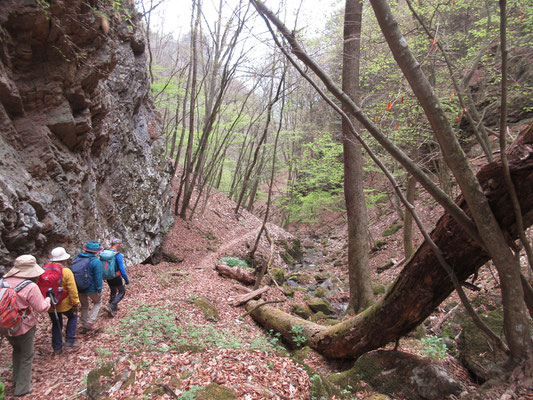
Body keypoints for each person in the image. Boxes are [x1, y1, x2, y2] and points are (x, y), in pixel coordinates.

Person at [3, 255, 51, 397]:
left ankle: (16, 379)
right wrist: (48, 298)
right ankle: (22, 388)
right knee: (26, 355)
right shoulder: (30, 286)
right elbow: (41, 307)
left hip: (4, 325)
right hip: (23, 325)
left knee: (16, 350)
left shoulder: (2, 282)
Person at [45, 247, 81, 355]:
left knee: (56, 324)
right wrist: (75, 303)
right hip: (65, 303)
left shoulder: (44, 270)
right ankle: (70, 340)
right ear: (63, 259)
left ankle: (57, 347)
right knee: (73, 316)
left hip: (51, 304)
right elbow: (72, 289)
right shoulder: (66, 271)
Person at [75, 241, 103, 334]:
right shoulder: (95, 261)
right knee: (98, 303)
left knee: (84, 305)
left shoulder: (78, 258)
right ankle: (90, 322)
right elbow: (98, 277)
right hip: (91, 288)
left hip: (78, 287)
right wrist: (99, 290)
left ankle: (84, 324)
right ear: (96, 251)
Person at [103, 238, 130, 317]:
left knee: (113, 290)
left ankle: (113, 308)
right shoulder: (118, 255)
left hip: (108, 276)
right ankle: (111, 306)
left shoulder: (106, 253)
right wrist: (126, 279)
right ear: (117, 245)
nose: (121, 246)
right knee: (122, 291)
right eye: (120, 244)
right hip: (116, 276)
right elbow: (122, 268)